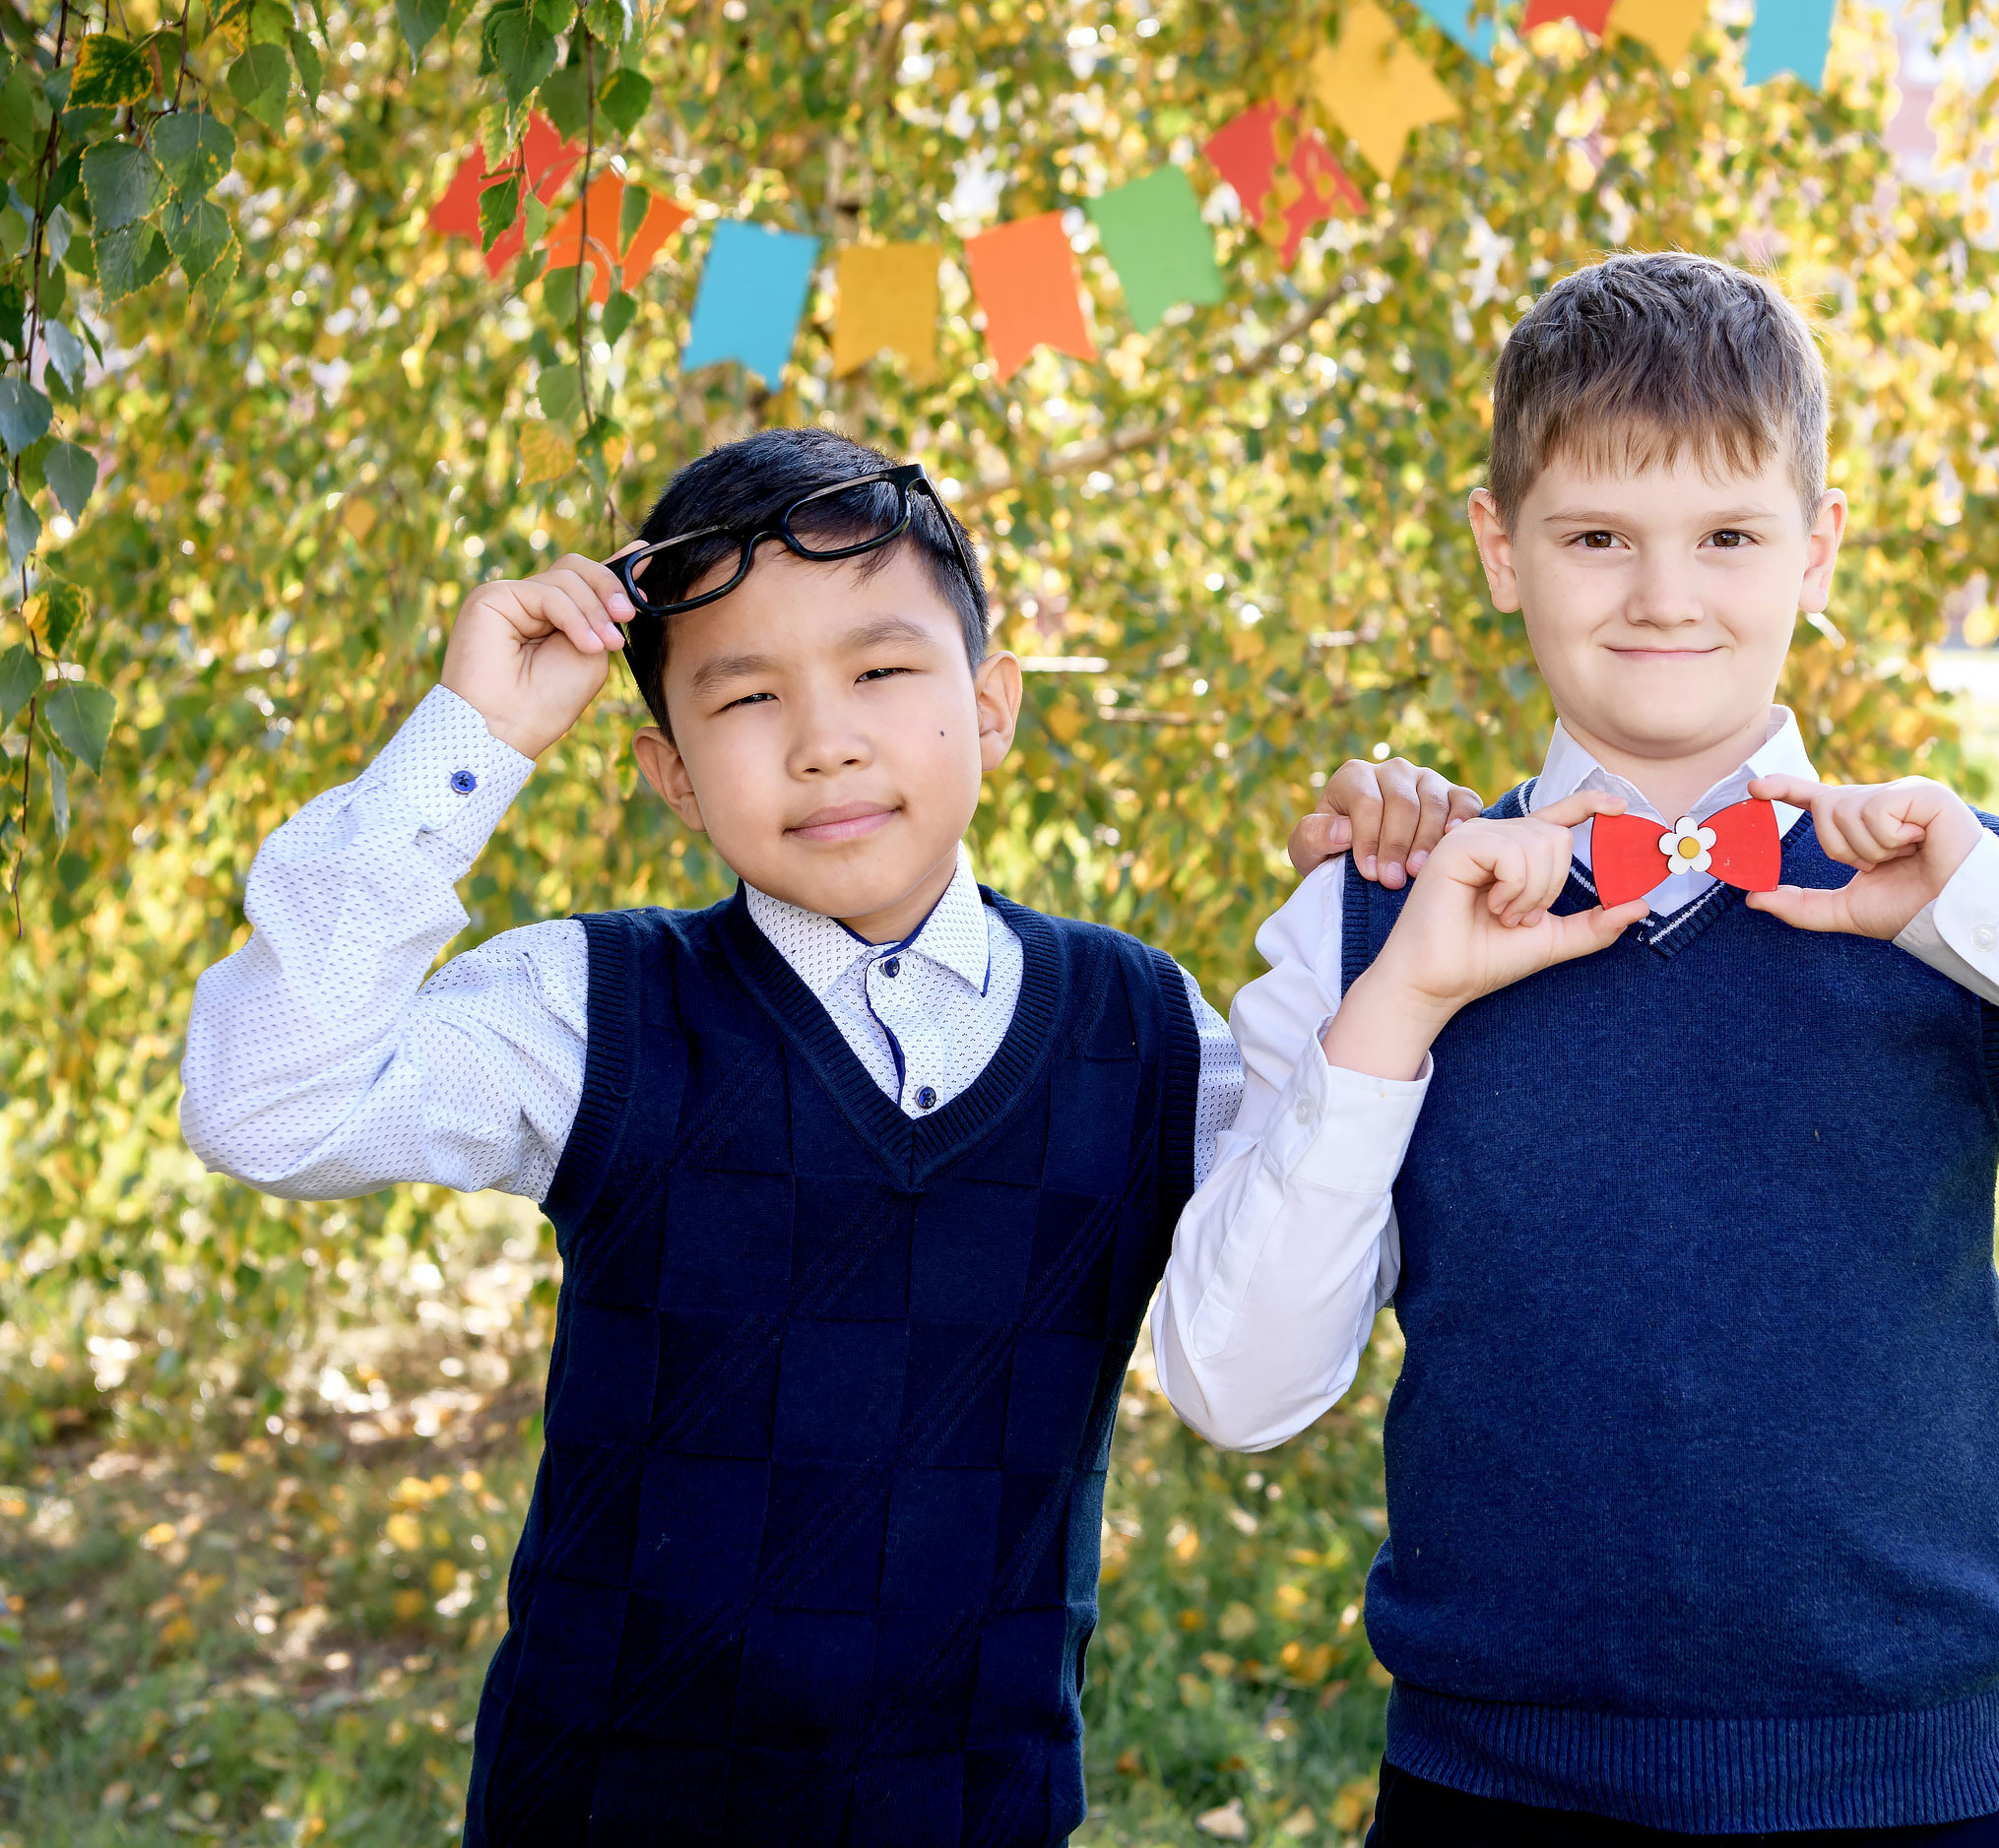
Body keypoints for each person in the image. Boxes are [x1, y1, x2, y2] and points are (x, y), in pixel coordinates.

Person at [1152, 254, 1999, 1846]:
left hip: (1926, 1801)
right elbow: (1237, 1385)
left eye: (1729, 537)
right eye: (1598, 536)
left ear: (1818, 552)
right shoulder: (1378, 920)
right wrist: (1396, 1006)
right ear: (1499, 548)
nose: (1665, 596)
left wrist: (1996, 911)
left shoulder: (1952, 900)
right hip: (1494, 1798)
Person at [178, 425, 1473, 1846]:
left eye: (878, 669)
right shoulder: (595, 1009)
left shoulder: (1142, 1032)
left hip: (972, 1812)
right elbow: (266, 1100)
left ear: (990, 706)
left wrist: (1377, 912)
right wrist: (470, 739)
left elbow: (1294, 1289)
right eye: (745, 698)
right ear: (671, 774)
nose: (825, 738)